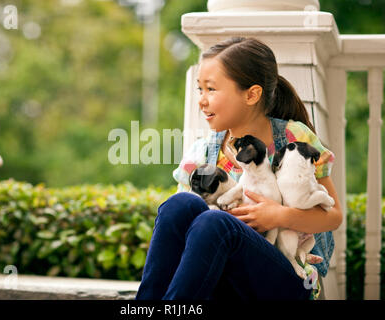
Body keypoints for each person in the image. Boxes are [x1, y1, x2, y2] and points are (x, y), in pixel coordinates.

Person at [135, 37, 343, 300]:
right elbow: (180, 232)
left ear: (252, 94)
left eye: (211, 89)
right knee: (178, 206)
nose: (202, 100)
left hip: (287, 281)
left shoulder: (293, 139)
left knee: (216, 221)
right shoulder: (202, 154)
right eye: (200, 89)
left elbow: (333, 216)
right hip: (220, 283)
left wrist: (278, 216)